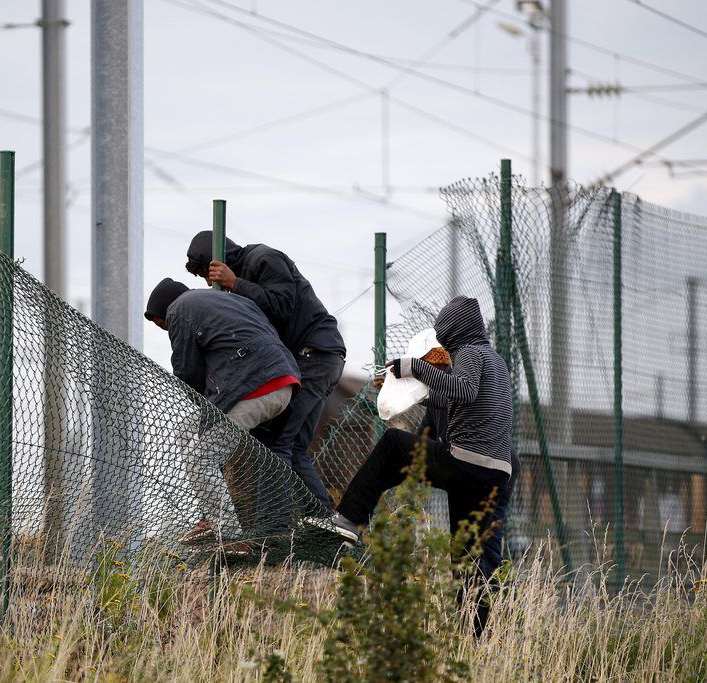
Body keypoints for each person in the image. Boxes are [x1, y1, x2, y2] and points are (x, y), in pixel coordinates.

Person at [311, 295, 517, 635]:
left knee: (393, 444)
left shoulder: (468, 353)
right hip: (494, 473)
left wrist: (413, 367)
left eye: (443, 331)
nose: (442, 339)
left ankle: (349, 518)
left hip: (468, 462)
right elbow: (454, 398)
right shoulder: (493, 359)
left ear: (454, 329)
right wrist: (400, 386)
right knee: (467, 556)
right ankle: (475, 636)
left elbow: (462, 391)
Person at [185, 232, 344, 513]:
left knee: (277, 441)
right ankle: (321, 519)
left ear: (217, 261)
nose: (210, 283)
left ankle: (277, 524)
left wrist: (236, 283)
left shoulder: (263, 258)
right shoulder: (246, 275)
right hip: (319, 357)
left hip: (314, 356)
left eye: (207, 274)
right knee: (294, 447)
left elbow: (283, 305)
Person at [145, 277, 301, 554]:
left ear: (164, 310)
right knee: (186, 429)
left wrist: (203, 403)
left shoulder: (180, 308)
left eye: (162, 324)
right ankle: (211, 516)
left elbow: (187, 372)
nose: (165, 328)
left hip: (257, 388)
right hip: (280, 382)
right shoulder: (229, 300)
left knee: (200, 457)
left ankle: (229, 534)